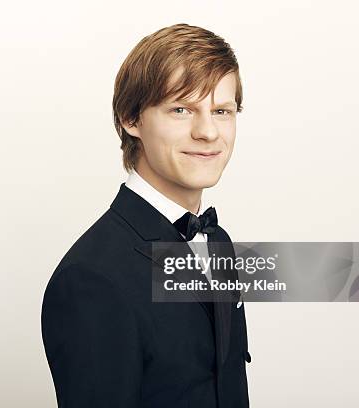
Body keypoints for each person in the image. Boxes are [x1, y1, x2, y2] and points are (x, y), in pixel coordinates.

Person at [41, 23, 250, 408]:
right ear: (130, 118)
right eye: (181, 109)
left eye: (222, 110)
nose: (208, 132)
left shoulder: (217, 241)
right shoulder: (90, 278)